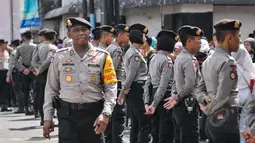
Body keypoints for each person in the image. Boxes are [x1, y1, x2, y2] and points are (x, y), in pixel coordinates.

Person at [43, 17, 117, 143]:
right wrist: (47, 117)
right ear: (69, 34)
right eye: (76, 30)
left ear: (90, 32)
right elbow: (51, 88)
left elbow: (111, 87)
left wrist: (106, 114)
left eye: (84, 29)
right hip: (67, 115)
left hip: (93, 115)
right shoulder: (60, 56)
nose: (81, 33)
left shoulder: (103, 56)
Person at [196, 19, 241, 143]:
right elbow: (223, 95)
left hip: (212, 121)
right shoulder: (228, 62)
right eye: (238, 36)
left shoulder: (207, 61)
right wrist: (207, 111)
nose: (240, 40)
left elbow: (199, 90)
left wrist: (204, 99)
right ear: (229, 38)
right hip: (227, 118)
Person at [164, 25, 203, 143]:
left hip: (180, 106)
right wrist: (177, 97)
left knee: (179, 138)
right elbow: (190, 84)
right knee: (190, 137)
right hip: (188, 105)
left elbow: (176, 81)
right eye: (198, 39)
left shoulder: (180, 57)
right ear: (189, 41)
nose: (200, 42)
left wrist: (175, 96)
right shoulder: (188, 59)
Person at [144, 30, 178, 143]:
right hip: (164, 97)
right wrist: (154, 104)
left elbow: (148, 81)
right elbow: (163, 86)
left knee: (155, 131)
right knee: (166, 132)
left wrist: (147, 102)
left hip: (154, 95)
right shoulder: (166, 60)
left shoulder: (153, 58)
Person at [118, 27, 150, 143]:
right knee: (144, 123)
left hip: (133, 88)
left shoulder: (130, 51)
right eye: (143, 36)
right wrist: (122, 93)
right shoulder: (135, 53)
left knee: (135, 123)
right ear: (138, 37)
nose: (145, 38)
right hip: (138, 88)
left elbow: (126, 75)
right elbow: (131, 74)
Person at [104, 24, 129, 143]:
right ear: (120, 35)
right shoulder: (117, 50)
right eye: (127, 35)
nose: (128, 38)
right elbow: (112, 70)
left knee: (112, 118)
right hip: (117, 87)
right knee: (118, 118)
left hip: (111, 87)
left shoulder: (110, 47)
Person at [32, 29, 58, 125]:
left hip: (39, 75)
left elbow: (33, 61)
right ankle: (49, 118)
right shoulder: (53, 48)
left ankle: (43, 118)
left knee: (41, 96)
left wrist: (37, 69)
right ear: (53, 38)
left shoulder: (39, 47)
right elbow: (48, 61)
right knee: (51, 95)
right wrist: (41, 70)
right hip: (49, 73)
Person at [232, 46, 255, 143]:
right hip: (247, 95)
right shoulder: (248, 66)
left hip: (233, 96)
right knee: (244, 124)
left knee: (232, 124)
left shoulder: (230, 66)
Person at [14, 30, 36, 115]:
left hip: (24, 71)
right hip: (33, 70)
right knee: (35, 90)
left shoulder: (19, 48)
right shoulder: (35, 46)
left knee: (26, 90)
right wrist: (30, 69)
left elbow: (15, 60)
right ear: (31, 37)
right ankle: (35, 109)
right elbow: (36, 59)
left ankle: (26, 108)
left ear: (24, 38)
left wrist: (23, 69)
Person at [6, 39, 24, 113]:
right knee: (24, 90)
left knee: (18, 90)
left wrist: (8, 74)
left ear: (13, 45)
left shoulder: (14, 52)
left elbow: (12, 64)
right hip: (24, 72)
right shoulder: (22, 50)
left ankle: (21, 107)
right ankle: (27, 106)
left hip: (16, 72)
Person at [0, 39, 12, 112]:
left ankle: (4, 105)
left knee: (5, 89)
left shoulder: (7, 52)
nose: (6, 46)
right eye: (5, 44)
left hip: (6, 72)